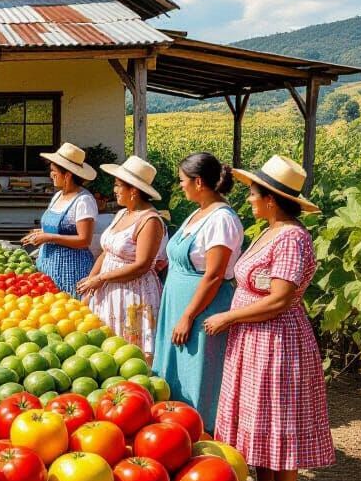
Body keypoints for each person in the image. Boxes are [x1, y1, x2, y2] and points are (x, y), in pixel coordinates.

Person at [205, 155, 335, 481]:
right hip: (257, 339)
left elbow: (280, 299)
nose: (248, 199)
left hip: (277, 340)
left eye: (252, 193)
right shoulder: (270, 232)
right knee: (261, 421)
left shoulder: (291, 238)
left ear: (271, 199)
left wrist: (230, 318)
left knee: (279, 422)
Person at [152, 153, 244, 431]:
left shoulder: (222, 220)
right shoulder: (198, 213)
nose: (180, 185)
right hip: (179, 304)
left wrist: (188, 316)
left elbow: (214, 274)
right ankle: (176, 432)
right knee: (177, 373)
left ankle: (204, 434)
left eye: (183, 180)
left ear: (199, 181)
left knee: (200, 375)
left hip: (204, 307)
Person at [78, 155, 167, 358]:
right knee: (106, 352)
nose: (115, 190)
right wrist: (92, 281)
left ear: (133, 190)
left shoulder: (150, 220)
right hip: (109, 290)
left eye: (118, 185)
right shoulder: (122, 214)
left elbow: (142, 265)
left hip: (133, 294)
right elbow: (107, 251)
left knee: (132, 355)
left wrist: (100, 279)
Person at [22, 143, 98, 293]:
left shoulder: (83, 201)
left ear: (68, 175)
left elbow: (84, 240)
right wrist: (40, 233)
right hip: (47, 266)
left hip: (71, 270)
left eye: (54, 171)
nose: (51, 175)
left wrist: (48, 237)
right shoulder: (58, 196)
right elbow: (60, 228)